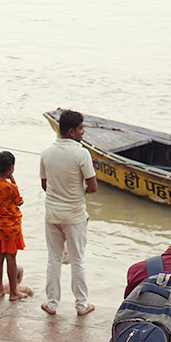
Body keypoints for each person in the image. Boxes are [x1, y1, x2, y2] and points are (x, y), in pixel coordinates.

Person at [39, 109, 97, 316]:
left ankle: (52, 304)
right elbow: (93, 187)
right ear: (71, 131)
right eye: (81, 128)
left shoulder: (46, 152)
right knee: (78, 260)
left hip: (52, 214)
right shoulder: (82, 153)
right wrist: (79, 192)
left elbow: (45, 185)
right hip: (74, 216)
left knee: (53, 259)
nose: (83, 132)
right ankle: (81, 305)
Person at [0, 151, 26, 301]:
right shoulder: (11, 187)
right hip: (11, 227)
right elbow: (19, 201)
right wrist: (12, 178)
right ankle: (13, 292)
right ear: (11, 168)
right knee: (11, 258)